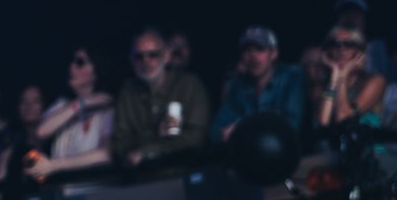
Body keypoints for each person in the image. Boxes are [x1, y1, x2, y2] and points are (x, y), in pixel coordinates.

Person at [112, 27, 210, 168]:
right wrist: (157, 137)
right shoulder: (127, 91)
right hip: (142, 176)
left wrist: (147, 151)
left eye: (153, 55)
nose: (145, 61)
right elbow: (120, 146)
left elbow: (197, 138)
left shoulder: (189, 85)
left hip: (183, 170)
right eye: (139, 57)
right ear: (131, 60)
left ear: (166, 56)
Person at [27, 45, 115, 179]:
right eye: (72, 62)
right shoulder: (62, 104)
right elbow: (40, 132)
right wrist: (82, 103)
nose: (72, 67)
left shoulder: (106, 109)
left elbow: (105, 155)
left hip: (91, 185)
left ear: (96, 71)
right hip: (61, 185)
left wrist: (54, 165)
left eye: (80, 63)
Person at [210, 26, 306, 142]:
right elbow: (215, 133)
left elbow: (290, 128)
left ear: (273, 53)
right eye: (247, 50)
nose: (253, 56)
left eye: (260, 49)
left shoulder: (291, 78)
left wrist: (241, 128)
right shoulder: (239, 85)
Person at [311, 26, 385, 130]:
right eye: (335, 44)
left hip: (364, 140)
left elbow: (343, 118)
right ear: (329, 51)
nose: (341, 49)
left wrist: (343, 75)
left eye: (349, 44)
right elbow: (323, 124)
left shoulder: (376, 81)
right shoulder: (321, 86)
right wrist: (334, 78)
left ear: (360, 51)